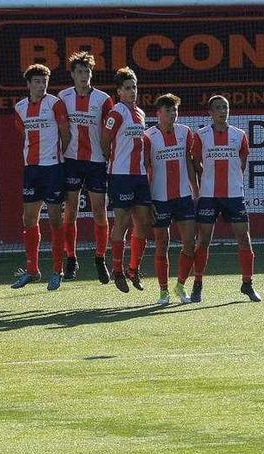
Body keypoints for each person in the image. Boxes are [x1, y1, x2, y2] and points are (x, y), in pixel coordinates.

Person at [190, 95, 261, 302]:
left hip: (234, 196)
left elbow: (243, 162)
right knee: (203, 240)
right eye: (218, 108)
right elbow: (195, 163)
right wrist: (204, 182)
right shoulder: (201, 135)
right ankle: (198, 284)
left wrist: (233, 180)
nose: (223, 111)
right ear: (210, 113)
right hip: (208, 196)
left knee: (244, 239)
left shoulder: (239, 135)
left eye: (226, 107)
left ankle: (247, 284)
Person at [11, 63, 71, 291]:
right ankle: (32, 270)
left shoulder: (55, 104)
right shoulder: (19, 108)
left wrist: (57, 158)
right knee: (29, 219)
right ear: (28, 84)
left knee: (55, 219)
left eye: (44, 81)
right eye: (36, 81)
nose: (41, 85)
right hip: (32, 170)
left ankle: (57, 270)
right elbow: (23, 134)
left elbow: (66, 134)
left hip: (53, 169)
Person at [57, 51, 114, 283]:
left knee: (100, 211)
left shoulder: (103, 99)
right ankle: (71, 258)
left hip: (96, 162)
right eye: (80, 72)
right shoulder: (63, 97)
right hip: (71, 161)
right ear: (72, 74)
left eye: (87, 71)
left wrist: (108, 154)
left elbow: (110, 129)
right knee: (70, 211)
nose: (84, 76)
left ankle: (100, 258)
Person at [144, 93, 198, 305]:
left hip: (183, 197)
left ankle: (181, 286)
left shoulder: (185, 132)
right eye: (168, 110)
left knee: (189, 243)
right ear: (158, 114)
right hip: (159, 199)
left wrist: (195, 190)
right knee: (161, 243)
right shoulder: (148, 136)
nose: (173, 114)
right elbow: (145, 168)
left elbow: (189, 161)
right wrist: (148, 202)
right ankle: (163, 291)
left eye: (175, 110)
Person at [101, 66, 151, 293]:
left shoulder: (140, 113)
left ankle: (133, 268)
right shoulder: (116, 113)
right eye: (128, 88)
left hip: (139, 175)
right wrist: (110, 163)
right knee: (121, 223)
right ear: (119, 91)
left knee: (143, 222)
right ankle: (117, 270)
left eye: (134, 87)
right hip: (120, 175)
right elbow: (105, 141)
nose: (132, 92)